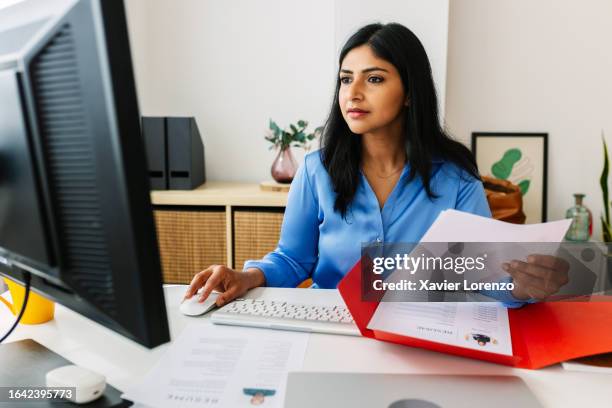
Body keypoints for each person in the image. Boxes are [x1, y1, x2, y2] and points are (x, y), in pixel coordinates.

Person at [184, 23, 568, 308]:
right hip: (332, 329)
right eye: (346, 79)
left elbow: (484, 273)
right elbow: (293, 259)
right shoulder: (316, 170)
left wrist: (521, 286)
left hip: (422, 334)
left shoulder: (456, 178)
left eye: (375, 79)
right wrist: (247, 276)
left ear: (409, 94)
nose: (353, 92)